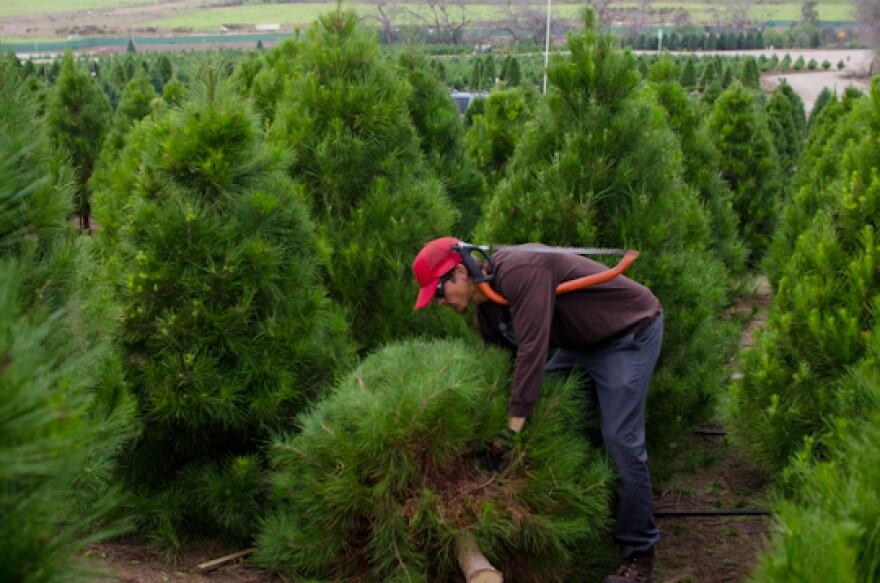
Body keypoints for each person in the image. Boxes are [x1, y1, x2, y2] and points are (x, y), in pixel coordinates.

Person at [413, 236, 663, 583]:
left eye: (437, 293)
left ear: (459, 272)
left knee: (620, 439)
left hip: (626, 333)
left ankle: (639, 555)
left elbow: (532, 350)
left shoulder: (520, 270)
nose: (438, 303)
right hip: (580, 343)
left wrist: (509, 435)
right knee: (549, 410)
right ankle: (585, 519)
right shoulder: (487, 312)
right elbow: (503, 373)